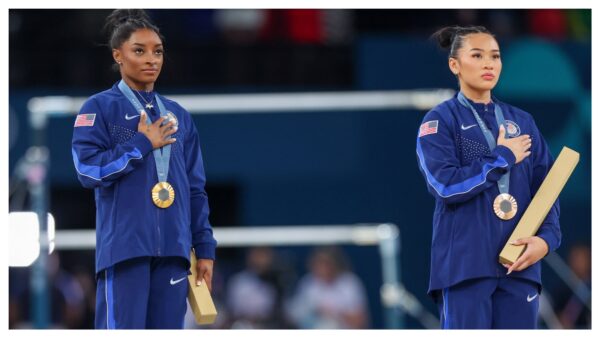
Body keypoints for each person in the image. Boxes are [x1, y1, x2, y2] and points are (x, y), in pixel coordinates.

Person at [71, 9, 217, 329]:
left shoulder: (179, 116)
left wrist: (204, 247)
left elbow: (195, 189)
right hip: (124, 250)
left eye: (158, 51)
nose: (151, 59)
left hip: (175, 253)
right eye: (139, 50)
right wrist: (141, 144)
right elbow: (87, 171)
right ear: (118, 55)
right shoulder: (99, 108)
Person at [415, 25, 561, 329]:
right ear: (454, 64)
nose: (488, 64)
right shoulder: (440, 121)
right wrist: (502, 157)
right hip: (466, 268)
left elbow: (547, 189)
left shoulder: (522, 122)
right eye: (477, 55)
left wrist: (546, 241)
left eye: (495, 56)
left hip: (519, 266)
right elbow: (445, 185)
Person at [287, 247, 368, 329]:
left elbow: (359, 321)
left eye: (326, 263)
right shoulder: (307, 283)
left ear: (335, 263)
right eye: (319, 263)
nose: (322, 268)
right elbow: (294, 317)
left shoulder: (349, 283)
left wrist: (334, 313)